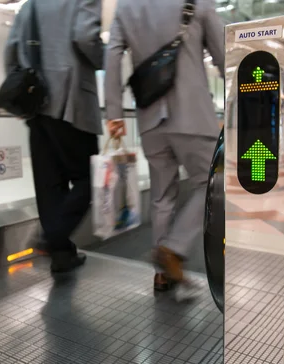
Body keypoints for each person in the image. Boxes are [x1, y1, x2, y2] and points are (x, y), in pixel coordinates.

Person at [104, 0, 224, 292]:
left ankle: (162, 273)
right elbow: (225, 55)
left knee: (162, 196)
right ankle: (173, 249)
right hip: (192, 115)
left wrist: (114, 113)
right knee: (213, 184)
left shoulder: (126, 7)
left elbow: (112, 55)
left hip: (149, 119)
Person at [4, 0, 104, 273]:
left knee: (50, 185)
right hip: (71, 101)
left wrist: (20, 95)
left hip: (35, 105)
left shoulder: (29, 6)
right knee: (89, 177)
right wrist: (103, 56)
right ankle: (53, 237)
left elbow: (11, 52)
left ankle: (62, 255)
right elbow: (85, 38)